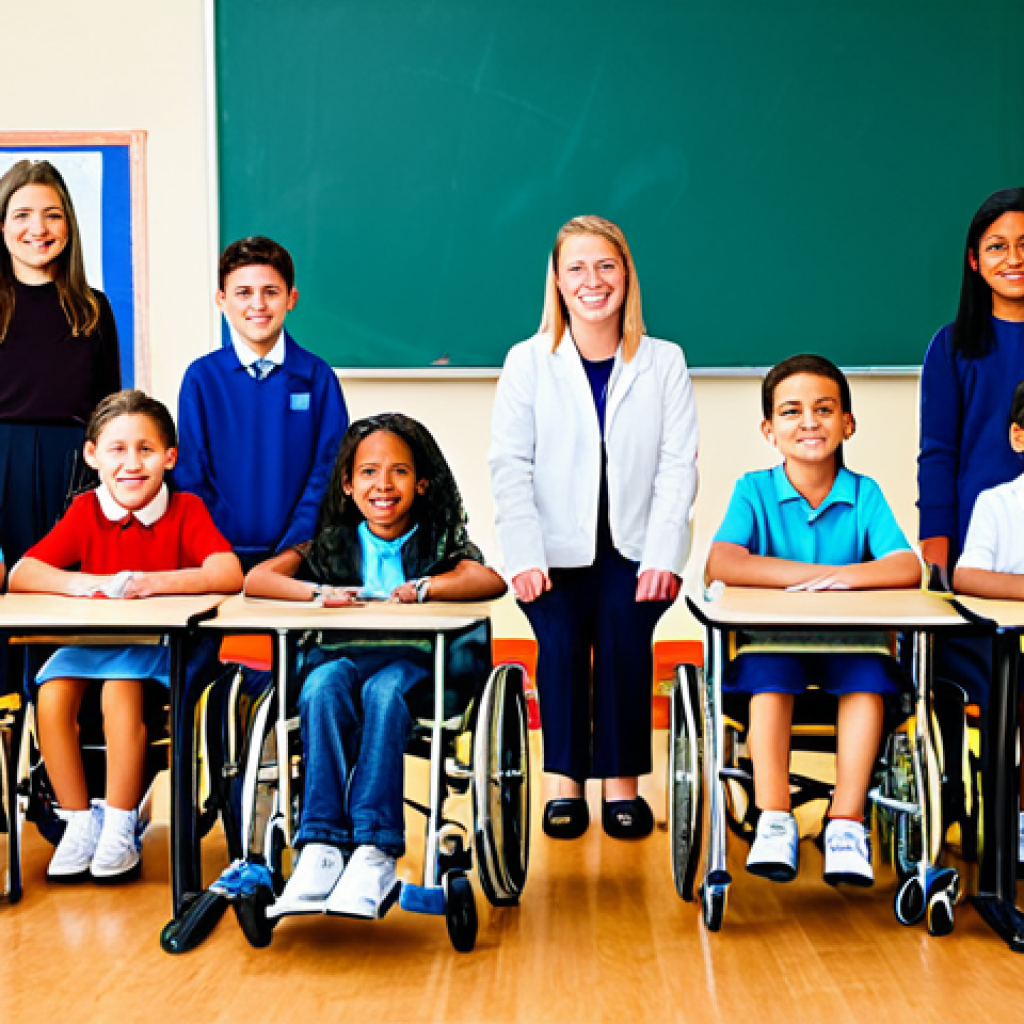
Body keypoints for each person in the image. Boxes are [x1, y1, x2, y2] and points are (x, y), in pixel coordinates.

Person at [244, 413, 505, 918]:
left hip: (416, 667)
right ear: (347, 484)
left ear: (423, 483)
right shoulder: (331, 545)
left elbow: (486, 580)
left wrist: (426, 588)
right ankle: (319, 844)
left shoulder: (439, 543)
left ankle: (374, 849)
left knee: (383, 692)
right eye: (367, 472)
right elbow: (259, 579)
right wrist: (319, 593)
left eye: (399, 472)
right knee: (319, 684)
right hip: (343, 659)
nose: (382, 484)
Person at [489, 215, 698, 841]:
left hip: (634, 543)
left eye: (606, 265)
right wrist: (523, 553)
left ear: (626, 276)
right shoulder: (528, 361)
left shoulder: (664, 362)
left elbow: (677, 464)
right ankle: (563, 785)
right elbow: (509, 464)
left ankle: (622, 788)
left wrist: (665, 551)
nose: (592, 280)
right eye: (576, 267)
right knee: (558, 650)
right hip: (551, 547)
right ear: (556, 280)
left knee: (626, 649)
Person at [9, 390, 242, 881]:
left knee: (120, 695)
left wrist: (151, 584)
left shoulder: (185, 509)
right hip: (91, 641)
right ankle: (79, 822)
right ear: (93, 455)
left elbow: (226, 571)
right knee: (51, 699)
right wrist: (85, 584)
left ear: (169, 457)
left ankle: (120, 822)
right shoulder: (85, 510)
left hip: (152, 645)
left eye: (146, 449)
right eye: (117, 449)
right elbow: (24, 572)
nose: (132, 463)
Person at [706, 354, 921, 886]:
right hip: (773, 645)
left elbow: (905, 566)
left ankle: (845, 822)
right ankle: (774, 816)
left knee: (869, 681)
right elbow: (724, 562)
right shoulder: (753, 490)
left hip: (850, 645)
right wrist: (821, 572)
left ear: (847, 423)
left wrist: (844, 580)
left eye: (824, 409)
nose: (809, 422)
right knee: (770, 678)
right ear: (769, 429)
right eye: (792, 411)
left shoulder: (864, 493)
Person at [175, 236, 349, 572]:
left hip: (301, 560)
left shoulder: (318, 377)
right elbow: (191, 475)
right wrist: (219, 550)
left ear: (291, 299)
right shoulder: (202, 378)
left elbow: (327, 472)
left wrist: (293, 551)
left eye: (270, 292)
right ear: (221, 300)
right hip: (218, 560)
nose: (258, 304)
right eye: (244, 293)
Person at [919, 187, 1024, 580]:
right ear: (974, 260)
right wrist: (938, 560)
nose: (1014, 259)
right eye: (997, 247)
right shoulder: (952, 346)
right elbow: (938, 455)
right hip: (977, 539)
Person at [953, 379, 1024, 858]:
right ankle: (1018, 819)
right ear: (1019, 438)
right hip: (1005, 656)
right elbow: (968, 576)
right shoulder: (998, 503)